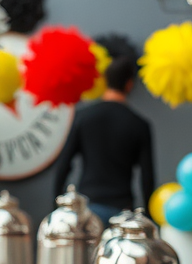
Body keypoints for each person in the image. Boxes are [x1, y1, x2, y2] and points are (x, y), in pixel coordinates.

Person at [51, 36, 156, 227]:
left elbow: (64, 164)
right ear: (129, 84)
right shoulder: (139, 124)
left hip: (87, 208)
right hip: (122, 209)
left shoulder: (84, 116)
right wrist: (148, 216)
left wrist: (56, 206)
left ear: (105, 80)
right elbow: (147, 177)